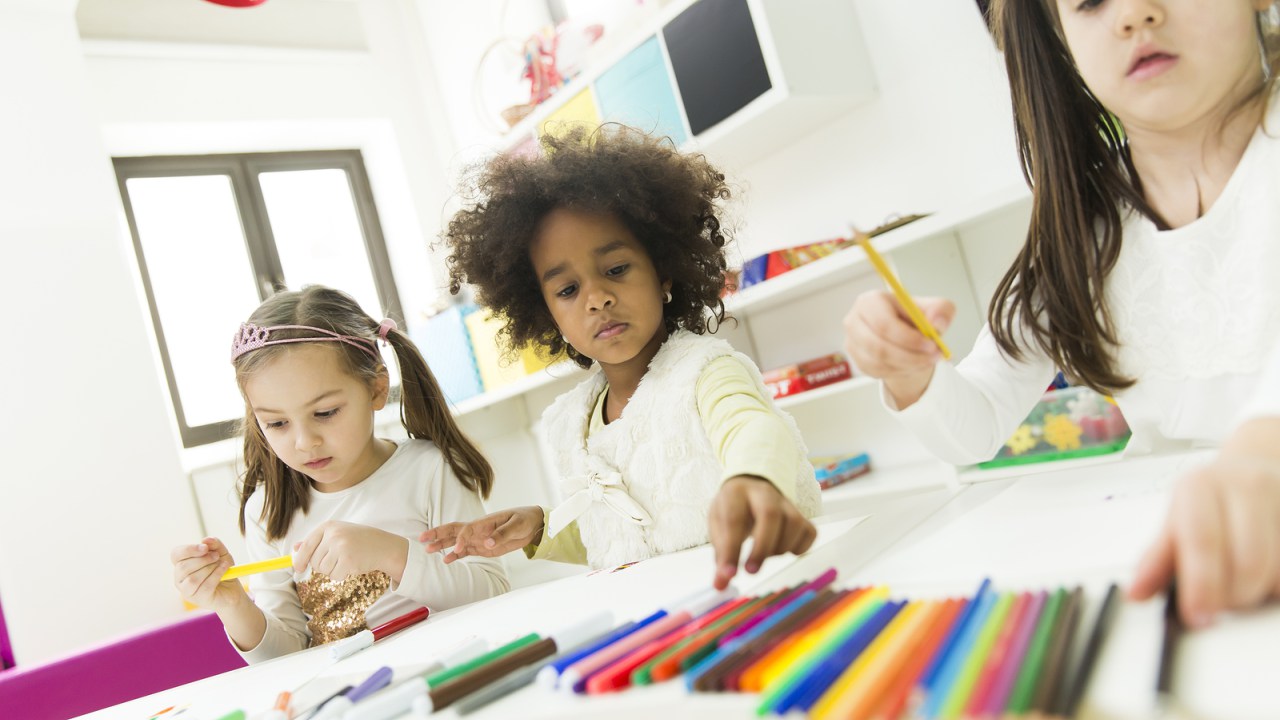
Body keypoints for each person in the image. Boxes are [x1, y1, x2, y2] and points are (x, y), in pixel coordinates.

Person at [844, 0, 1280, 626]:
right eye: (1089, 2)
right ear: (1060, 38)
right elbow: (976, 426)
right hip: (1176, 572)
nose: (1133, 14)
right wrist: (909, 373)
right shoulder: (1082, 228)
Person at [422, 125, 822, 590]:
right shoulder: (569, 421)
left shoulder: (706, 373)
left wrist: (754, 480)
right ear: (546, 312)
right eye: (567, 290)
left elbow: (754, 430)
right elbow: (618, 533)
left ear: (664, 272)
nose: (596, 298)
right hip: (676, 621)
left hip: (769, 593)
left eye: (615, 270)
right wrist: (541, 528)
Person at [170, 286, 508, 662]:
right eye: (277, 423)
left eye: (325, 412)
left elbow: (492, 592)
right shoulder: (266, 511)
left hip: (450, 672)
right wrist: (232, 604)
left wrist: (391, 553)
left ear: (377, 389)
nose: (304, 442)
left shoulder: (429, 470)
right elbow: (284, 656)